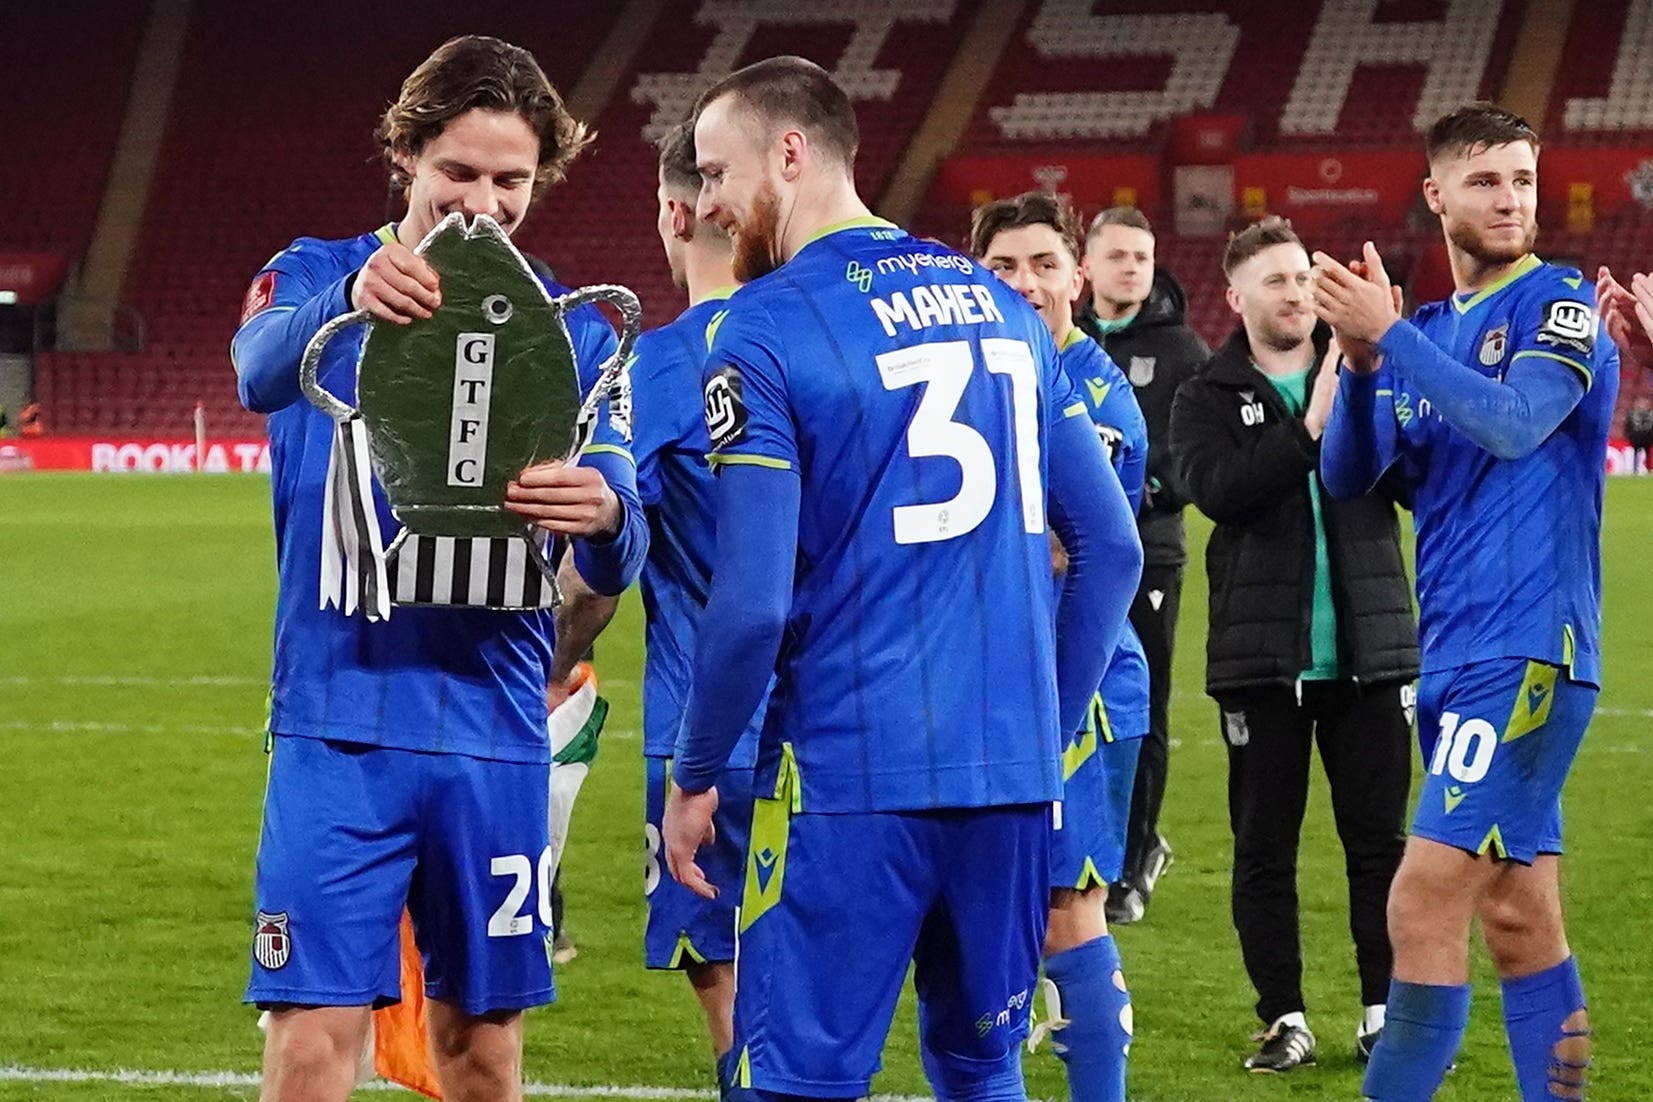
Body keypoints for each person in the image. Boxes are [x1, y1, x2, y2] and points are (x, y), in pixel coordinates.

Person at [661, 56, 1142, 1102]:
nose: (705, 205)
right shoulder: (1007, 310)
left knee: (794, 1076)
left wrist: (696, 773)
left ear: (789, 154)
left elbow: (747, 601)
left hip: (848, 778)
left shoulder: (763, 326)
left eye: (714, 171)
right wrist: (1043, 731)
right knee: (979, 1065)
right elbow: (1112, 547)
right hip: (1008, 787)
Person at [231, 36, 648, 1102]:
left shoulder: (575, 329)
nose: (488, 200)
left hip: (493, 725)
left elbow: (623, 527)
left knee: (482, 1046)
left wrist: (600, 510)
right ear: (406, 154)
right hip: (339, 718)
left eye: (512, 178)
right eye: (459, 171)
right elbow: (258, 369)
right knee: (312, 1035)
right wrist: (352, 303)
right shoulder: (323, 271)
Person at [1313, 103, 1618, 1102]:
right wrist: (1361, 366)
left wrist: (1388, 334)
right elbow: (1352, 474)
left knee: (1420, 903)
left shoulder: (1558, 306)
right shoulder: (1433, 333)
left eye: (1524, 179)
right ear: (1436, 193)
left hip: (1528, 650)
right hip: (1451, 658)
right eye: (1487, 180)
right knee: (1520, 920)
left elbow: (1515, 421)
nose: (1512, 199)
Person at [540, 119, 758, 1098]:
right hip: (863, 725)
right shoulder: (838, 341)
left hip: (709, 736)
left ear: (677, 210)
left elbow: (597, 574)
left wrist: (546, 665)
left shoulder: (658, 371)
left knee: (729, 979)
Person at [1170, 216, 1419, 1073]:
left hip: (1373, 655)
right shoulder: (1204, 393)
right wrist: (1308, 427)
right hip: (1260, 663)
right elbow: (1218, 492)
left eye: (1301, 278)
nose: (1292, 294)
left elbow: (1413, 485)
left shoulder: (1359, 373)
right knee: (1263, 848)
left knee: (1378, 846)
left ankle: (1385, 1012)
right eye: (1272, 281)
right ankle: (1284, 1018)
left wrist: (1374, 386)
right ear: (1234, 297)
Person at [971, 190, 1147, 1102]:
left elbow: (1070, 547)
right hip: (1005, 682)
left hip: (1074, 683)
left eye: (1043, 263)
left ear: (1077, 275)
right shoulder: (1001, 374)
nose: (1026, 282)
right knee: (1009, 911)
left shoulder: (1087, 388)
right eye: (1003, 265)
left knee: (1063, 909)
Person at [1078, 207, 1209, 924]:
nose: (1132, 267)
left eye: (1142, 256)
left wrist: (1145, 488)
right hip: (1064, 554)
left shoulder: (1182, 350)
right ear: (1088, 265)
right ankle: (1079, 846)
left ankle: (1134, 859)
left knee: (1142, 705)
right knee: (1069, 698)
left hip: (1146, 550)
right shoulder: (1063, 339)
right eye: (1119, 255)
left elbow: (1191, 452)